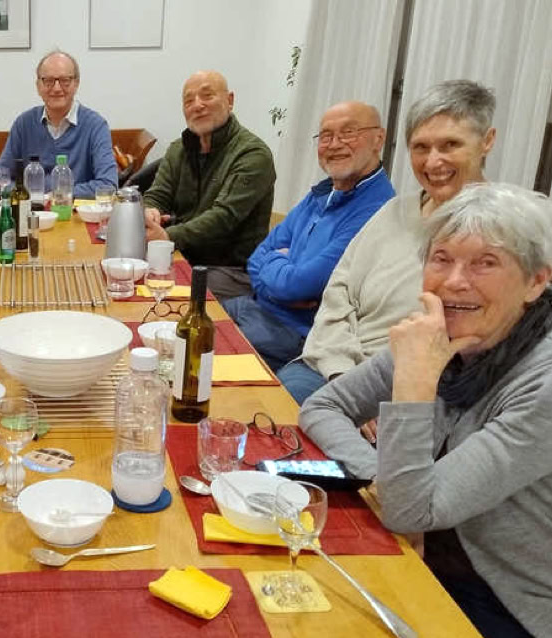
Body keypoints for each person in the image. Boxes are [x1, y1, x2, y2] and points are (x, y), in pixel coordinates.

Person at [299, 183, 552, 638]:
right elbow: (322, 407)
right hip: (417, 557)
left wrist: (414, 384)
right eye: (441, 258)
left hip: (509, 608)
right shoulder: (439, 333)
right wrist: (385, 476)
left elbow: (411, 508)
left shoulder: (540, 382)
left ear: (536, 281)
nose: (455, 280)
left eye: (485, 263)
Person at [279, 80, 497, 409]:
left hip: (406, 391)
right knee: (254, 405)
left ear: (486, 142)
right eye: (421, 148)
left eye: (450, 145)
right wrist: (340, 373)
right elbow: (338, 294)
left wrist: (376, 394)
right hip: (329, 368)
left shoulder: (500, 230)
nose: (433, 162)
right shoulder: (393, 211)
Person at [222, 102, 394, 371]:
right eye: (326, 136)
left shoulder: (376, 209)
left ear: (378, 139)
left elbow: (300, 286)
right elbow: (256, 258)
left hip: (292, 331)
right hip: (253, 305)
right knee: (178, 328)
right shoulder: (324, 192)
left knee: (199, 359)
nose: (334, 144)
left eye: (348, 132)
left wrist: (276, 268)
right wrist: (278, 280)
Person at [143, 70, 276, 299]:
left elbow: (223, 217)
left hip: (230, 270)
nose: (197, 105)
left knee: (166, 299)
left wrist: (167, 237)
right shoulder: (178, 149)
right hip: (181, 255)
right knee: (124, 278)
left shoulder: (253, 154)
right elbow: (157, 195)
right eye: (189, 101)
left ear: (230, 100)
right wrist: (150, 211)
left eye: (207, 96)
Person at [0, 50, 117, 199]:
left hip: (74, 211)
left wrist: (59, 195)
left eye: (65, 80)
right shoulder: (23, 124)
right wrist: (30, 196)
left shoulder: (95, 126)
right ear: (38, 86)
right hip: (30, 210)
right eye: (48, 81)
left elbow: (108, 185)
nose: (57, 88)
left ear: (76, 84)